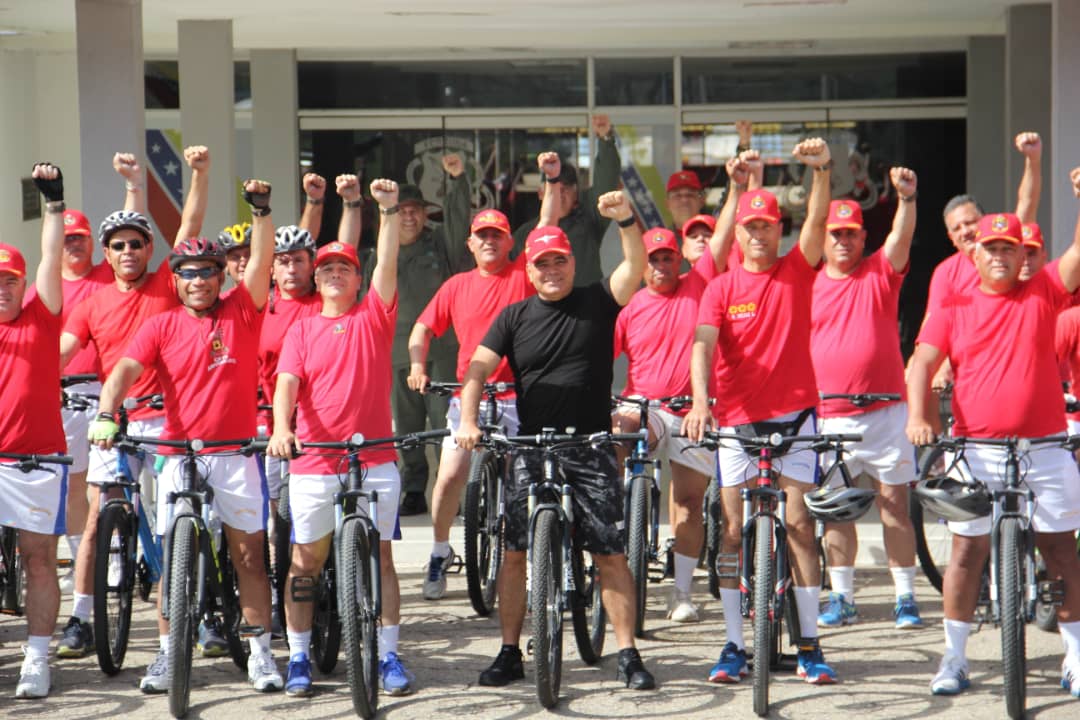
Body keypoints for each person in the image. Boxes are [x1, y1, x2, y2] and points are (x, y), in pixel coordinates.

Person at [457, 187, 657, 692]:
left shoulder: (597, 299)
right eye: (542, 263)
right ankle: (509, 652)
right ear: (528, 269)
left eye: (559, 261)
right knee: (514, 552)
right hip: (530, 447)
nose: (552, 270)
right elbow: (478, 367)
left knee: (610, 553)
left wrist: (626, 220)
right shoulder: (514, 317)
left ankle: (628, 653)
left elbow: (633, 267)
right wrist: (468, 418)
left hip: (590, 445)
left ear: (572, 262)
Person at [89, 177, 280, 693]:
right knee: (174, 561)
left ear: (221, 277)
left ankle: (261, 653)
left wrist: (260, 211)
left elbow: (260, 266)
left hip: (235, 452)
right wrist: (108, 414)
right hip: (178, 454)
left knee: (247, 556)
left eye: (207, 272)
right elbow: (123, 373)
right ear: (175, 280)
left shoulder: (242, 310)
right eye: (188, 273)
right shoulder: (161, 324)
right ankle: (168, 655)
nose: (197, 280)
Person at [906, 180, 1080, 701]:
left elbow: (1076, 255)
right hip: (978, 449)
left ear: (1021, 253)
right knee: (965, 554)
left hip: (1044, 446)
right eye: (992, 247)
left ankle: (1075, 654)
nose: (1001, 255)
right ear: (973, 253)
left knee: (1061, 552)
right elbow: (921, 364)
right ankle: (954, 658)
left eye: (1010, 247)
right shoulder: (953, 305)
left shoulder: (1043, 291)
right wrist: (919, 416)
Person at [683, 138, 839, 685]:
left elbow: (819, 221)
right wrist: (702, 402)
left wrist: (820, 171)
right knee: (729, 530)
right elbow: (702, 343)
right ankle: (731, 644)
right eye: (749, 226)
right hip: (737, 422)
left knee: (798, 526)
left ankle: (811, 643)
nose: (757, 234)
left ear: (779, 228)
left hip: (797, 419)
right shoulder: (721, 287)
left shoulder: (799, 269)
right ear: (740, 231)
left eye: (767, 225)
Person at [56, 147, 209, 662]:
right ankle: (81, 614)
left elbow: (190, 222)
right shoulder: (94, 299)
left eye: (137, 244)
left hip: (168, 416)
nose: (127, 251)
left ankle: (202, 610)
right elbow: (66, 350)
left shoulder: (168, 282)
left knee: (178, 515)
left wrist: (199, 174)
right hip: (114, 419)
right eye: (118, 245)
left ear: (149, 249)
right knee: (99, 517)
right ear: (108, 250)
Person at [268, 179, 417, 699]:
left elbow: (388, 263)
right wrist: (283, 430)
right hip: (313, 461)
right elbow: (287, 383)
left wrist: (388, 210)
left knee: (382, 556)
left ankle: (389, 654)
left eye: (344, 268)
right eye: (327, 267)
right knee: (305, 562)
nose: (335, 273)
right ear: (317, 276)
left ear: (358, 279)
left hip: (374, 456)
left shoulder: (374, 315)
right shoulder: (302, 328)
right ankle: (301, 656)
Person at [407, 152, 566, 600]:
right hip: (469, 396)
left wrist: (552, 178)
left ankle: (534, 559)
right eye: (483, 236)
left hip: (521, 395)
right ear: (470, 244)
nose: (491, 241)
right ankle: (440, 551)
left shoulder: (522, 274)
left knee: (530, 479)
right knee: (451, 473)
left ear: (509, 243)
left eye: (497, 234)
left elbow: (547, 220)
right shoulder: (456, 285)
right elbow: (421, 328)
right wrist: (418, 364)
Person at [610, 153, 747, 623]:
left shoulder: (702, 283)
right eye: (653, 258)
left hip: (691, 410)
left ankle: (682, 592)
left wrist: (736, 187)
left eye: (669, 256)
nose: (662, 264)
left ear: (678, 259)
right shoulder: (628, 308)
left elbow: (726, 232)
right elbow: (596, 362)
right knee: (619, 435)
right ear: (642, 265)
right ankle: (618, 521)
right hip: (643, 406)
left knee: (688, 506)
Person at [809, 169, 922, 630]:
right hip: (831, 414)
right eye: (835, 233)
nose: (842, 241)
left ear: (861, 237)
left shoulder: (879, 270)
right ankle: (843, 598)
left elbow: (901, 236)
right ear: (825, 236)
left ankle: (906, 598)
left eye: (850, 234)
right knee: (839, 513)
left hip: (886, 410)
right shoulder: (808, 279)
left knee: (894, 505)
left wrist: (906, 199)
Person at [255, 172, 361, 636]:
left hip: (327, 427)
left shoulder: (324, 300)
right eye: (284, 262)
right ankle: (284, 607)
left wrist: (341, 204)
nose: (293, 268)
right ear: (272, 269)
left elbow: (344, 249)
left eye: (300, 260)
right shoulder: (262, 305)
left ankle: (342, 594)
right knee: (282, 523)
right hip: (275, 428)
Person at [365, 154, 471, 516]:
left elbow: (459, 222)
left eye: (416, 210)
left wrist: (457, 181)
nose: (409, 216)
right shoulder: (377, 255)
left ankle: (448, 488)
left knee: (444, 421)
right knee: (407, 425)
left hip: (440, 351)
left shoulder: (439, 245)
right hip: (394, 354)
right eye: (403, 210)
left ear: (425, 214)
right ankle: (413, 489)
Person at [0, 163, 66, 698]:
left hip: (36, 458)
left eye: (10, 281)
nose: (3, 288)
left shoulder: (42, 317)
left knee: (38, 557)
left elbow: (50, 255)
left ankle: (37, 659)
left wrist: (53, 205)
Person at [24, 206, 114, 596]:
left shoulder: (107, 276)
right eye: (67, 238)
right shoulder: (41, 289)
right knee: (75, 485)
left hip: (109, 388)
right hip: (63, 393)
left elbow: (132, 223)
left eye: (80, 237)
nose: (74, 244)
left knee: (108, 484)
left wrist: (133, 185)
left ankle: (113, 558)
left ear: (93, 242)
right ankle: (83, 561)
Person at [924, 132, 1042, 391]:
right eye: (957, 228)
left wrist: (1032, 159)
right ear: (950, 237)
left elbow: (1027, 204)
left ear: (985, 222)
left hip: (1018, 365)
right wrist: (936, 368)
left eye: (970, 222)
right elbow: (934, 328)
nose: (965, 231)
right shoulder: (945, 273)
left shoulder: (1008, 253)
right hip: (972, 376)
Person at [512, 114, 622, 287]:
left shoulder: (589, 220)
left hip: (586, 308)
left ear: (576, 194)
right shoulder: (525, 234)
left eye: (567, 188)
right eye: (555, 187)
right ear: (541, 193)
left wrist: (606, 139)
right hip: (544, 310)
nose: (560, 193)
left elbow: (606, 180)